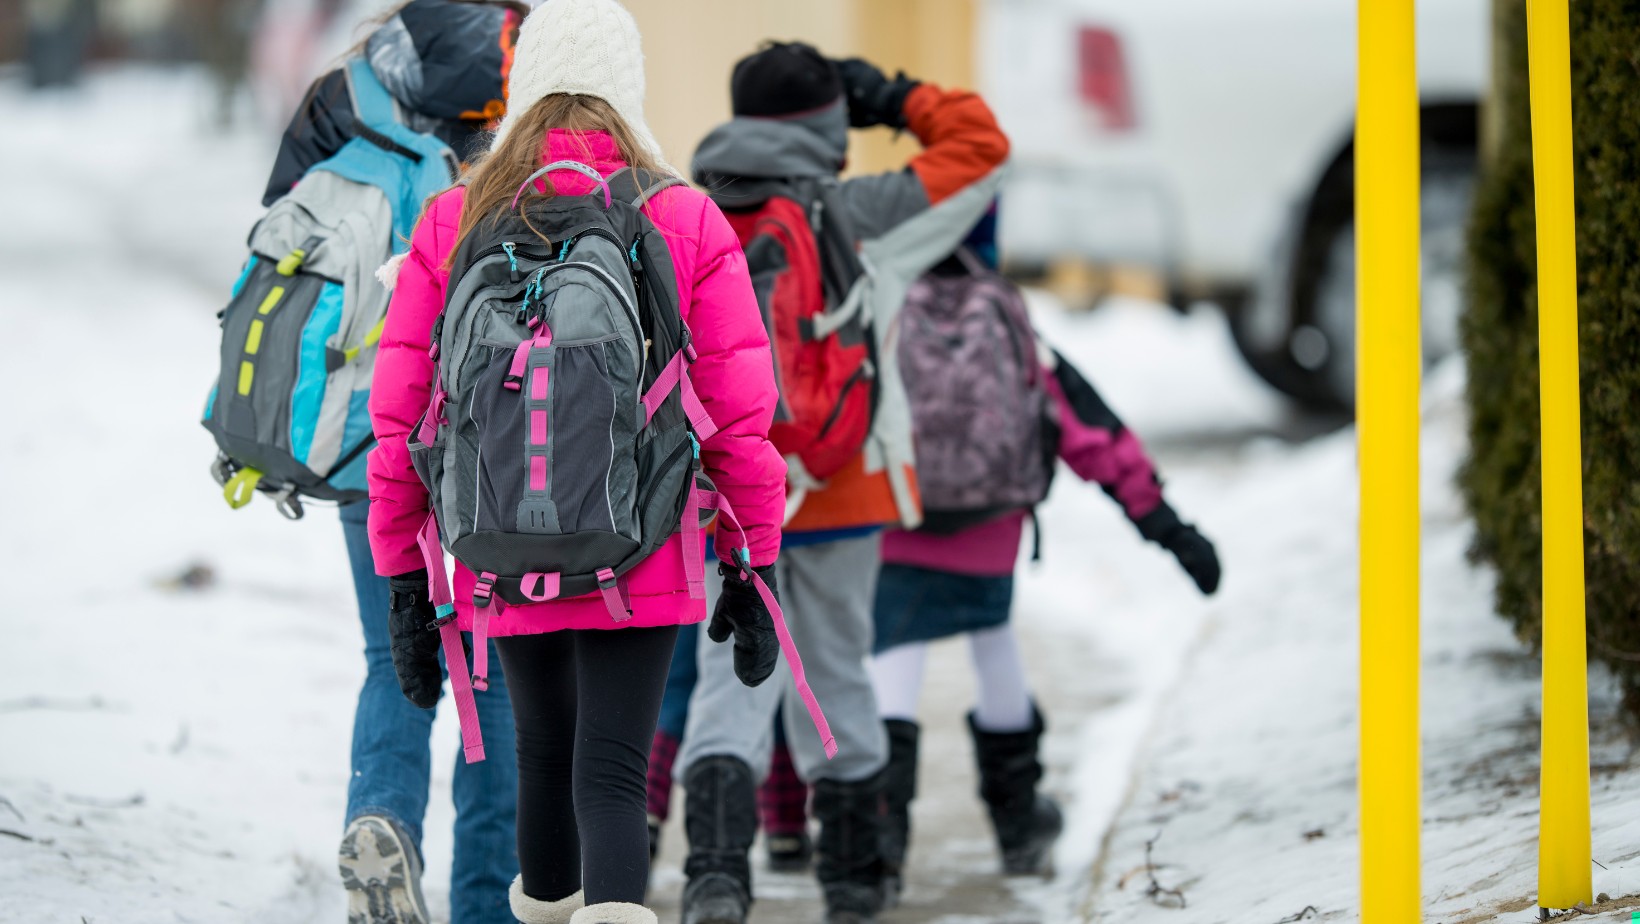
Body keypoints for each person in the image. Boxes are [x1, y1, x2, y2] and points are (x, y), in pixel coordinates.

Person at [366, 2, 789, 923]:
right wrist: (750, 564)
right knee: (610, 772)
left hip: (500, 534)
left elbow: (399, 419)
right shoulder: (681, 215)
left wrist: (405, 579)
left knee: (542, 760)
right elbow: (741, 423)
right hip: (643, 537)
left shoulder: (455, 217)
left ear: (523, 86)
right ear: (627, 89)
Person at [674, 43, 1009, 924]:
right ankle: (855, 883)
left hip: (721, 491)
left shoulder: (685, 210)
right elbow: (981, 146)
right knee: (837, 680)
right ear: (831, 125)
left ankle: (714, 875)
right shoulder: (864, 211)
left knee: (726, 678)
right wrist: (894, 98)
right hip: (840, 480)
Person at [260, 2, 527, 921]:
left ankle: (380, 821)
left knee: (394, 655)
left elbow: (279, 234)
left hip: (362, 428)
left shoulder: (347, 87)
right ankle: (487, 903)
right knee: (488, 672)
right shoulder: (507, 74)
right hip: (479, 437)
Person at [869, 224, 1222, 903]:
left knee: (895, 657)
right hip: (991, 524)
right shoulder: (1007, 315)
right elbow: (1092, 430)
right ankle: (1020, 828)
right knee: (994, 647)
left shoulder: (882, 303)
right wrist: (1169, 530)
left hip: (898, 516)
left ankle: (878, 854)